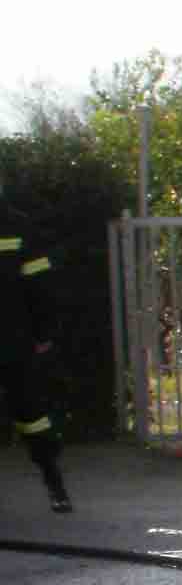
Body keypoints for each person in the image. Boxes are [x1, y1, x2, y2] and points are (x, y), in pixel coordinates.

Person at [1, 213, 75, 514]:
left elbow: (41, 286)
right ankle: (55, 486)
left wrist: (44, 332)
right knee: (31, 413)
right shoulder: (17, 228)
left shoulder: (17, 229)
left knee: (31, 415)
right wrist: (44, 333)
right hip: (15, 341)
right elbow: (42, 288)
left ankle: (54, 482)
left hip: (13, 343)